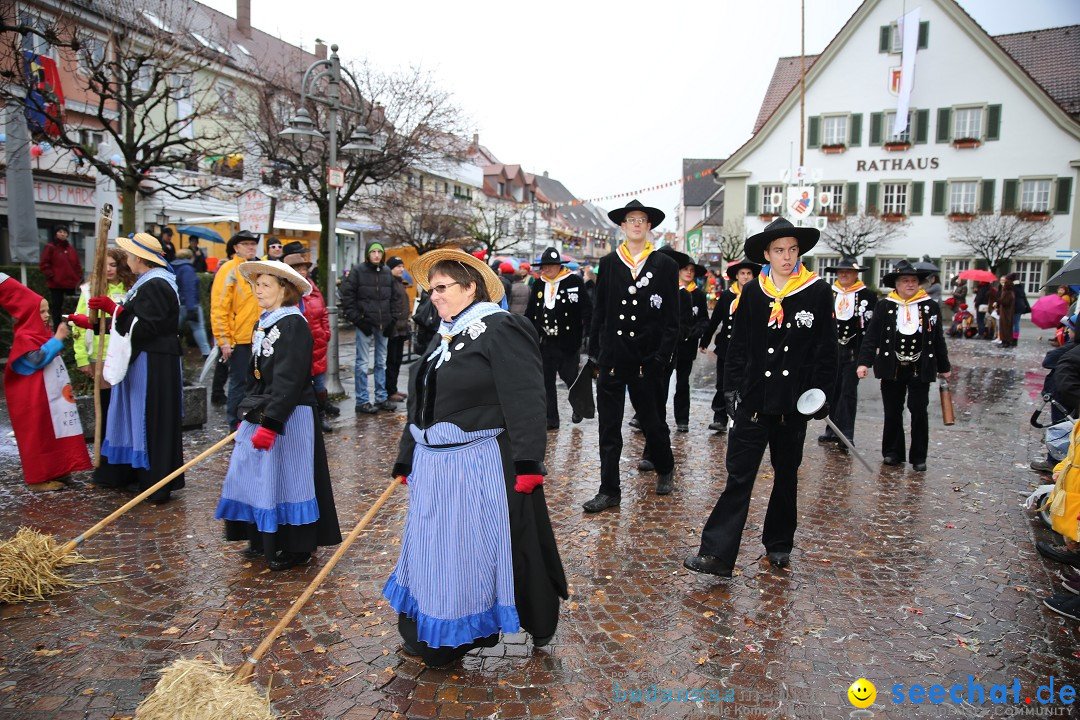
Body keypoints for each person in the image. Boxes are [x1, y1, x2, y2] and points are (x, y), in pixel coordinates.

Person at [384, 248, 567, 667]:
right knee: (433, 549)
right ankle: (426, 627)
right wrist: (407, 456)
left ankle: (461, 632)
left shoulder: (503, 327)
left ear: (471, 287)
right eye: (431, 289)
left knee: (474, 550)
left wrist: (527, 464)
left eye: (443, 287)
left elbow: (525, 397)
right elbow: (420, 402)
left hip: (478, 464)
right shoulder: (443, 334)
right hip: (436, 467)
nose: (435, 296)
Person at [684, 218, 837, 577]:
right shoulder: (753, 292)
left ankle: (779, 543)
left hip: (793, 403)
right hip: (754, 401)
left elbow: (826, 352)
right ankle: (717, 554)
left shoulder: (816, 291)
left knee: (786, 475)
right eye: (780, 250)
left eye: (793, 250)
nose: (787, 257)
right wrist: (731, 389)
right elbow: (737, 348)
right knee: (738, 477)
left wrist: (822, 394)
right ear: (767, 254)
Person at [215, 260, 342, 571]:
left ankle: (295, 545)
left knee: (289, 480)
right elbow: (256, 374)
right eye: (257, 284)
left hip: (290, 415)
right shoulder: (266, 322)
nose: (258, 289)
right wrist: (249, 411)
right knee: (260, 477)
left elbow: (290, 377)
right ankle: (261, 537)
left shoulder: (293, 325)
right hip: (265, 410)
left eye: (266, 284)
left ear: (284, 291)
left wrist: (271, 422)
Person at [583, 199, 680, 512]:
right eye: (631, 219)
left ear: (649, 226)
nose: (636, 224)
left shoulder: (665, 265)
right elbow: (599, 310)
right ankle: (609, 489)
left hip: (647, 361)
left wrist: (661, 358)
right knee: (608, 429)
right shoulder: (610, 263)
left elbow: (671, 319)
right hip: (613, 358)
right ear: (622, 226)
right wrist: (594, 353)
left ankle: (665, 466)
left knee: (653, 423)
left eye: (642, 219)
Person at [73, 233, 185, 503]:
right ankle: (140, 476)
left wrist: (115, 310)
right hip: (148, 358)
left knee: (150, 418)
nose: (127, 261)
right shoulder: (147, 283)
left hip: (155, 361)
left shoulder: (156, 284)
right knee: (143, 417)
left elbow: (147, 326)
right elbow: (137, 322)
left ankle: (155, 483)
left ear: (139, 259)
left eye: (130, 256)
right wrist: (98, 322)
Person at [856, 260, 951, 471]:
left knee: (918, 411)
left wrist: (944, 366)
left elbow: (938, 339)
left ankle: (919, 457)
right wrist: (864, 362)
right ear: (896, 284)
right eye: (905, 281)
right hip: (892, 367)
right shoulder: (885, 306)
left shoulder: (930, 306)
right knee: (892, 411)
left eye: (914, 281)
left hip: (919, 368)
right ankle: (892, 452)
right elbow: (871, 337)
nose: (910, 284)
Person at [0, 272, 92, 491]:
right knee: (39, 436)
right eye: (40, 311)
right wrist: (58, 340)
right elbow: (36, 359)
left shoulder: (40, 333)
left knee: (55, 432)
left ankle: (58, 468)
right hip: (34, 401)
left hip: (49, 397)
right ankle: (38, 478)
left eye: (47, 310)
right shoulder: (25, 336)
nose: (46, 315)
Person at [525, 246, 592, 430]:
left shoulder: (574, 281)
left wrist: (588, 333)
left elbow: (586, 309)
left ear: (559, 266)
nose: (546, 269)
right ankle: (551, 419)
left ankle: (578, 406)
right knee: (546, 381)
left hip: (568, 341)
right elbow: (531, 312)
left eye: (550, 266)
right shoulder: (539, 284)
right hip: (545, 341)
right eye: (544, 266)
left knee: (569, 376)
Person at [819, 257, 876, 446]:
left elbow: (870, 329)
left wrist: (864, 359)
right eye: (841, 271)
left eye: (848, 272)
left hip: (853, 351)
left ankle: (846, 433)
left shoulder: (867, 296)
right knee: (832, 392)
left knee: (848, 393)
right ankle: (831, 430)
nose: (844, 275)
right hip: (832, 351)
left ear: (856, 274)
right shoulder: (828, 293)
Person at [340, 241, 399, 414]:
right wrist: (358, 320)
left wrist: (392, 320)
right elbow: (348, 299)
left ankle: (381, 398)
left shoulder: (387, 272)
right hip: (365, 323)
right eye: (373, 252)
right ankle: (362, 400)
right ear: (367, 254)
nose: (376, 255)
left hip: (384, 324)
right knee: (362, 363)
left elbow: (394, 299)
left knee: (381, 362)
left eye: (379, 252)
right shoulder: (358, 271)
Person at [282, 242, 335, 431]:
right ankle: (302, 420)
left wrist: (325, 332)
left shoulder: (313, 289)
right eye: (298, 268)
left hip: (317, 344)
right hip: (296, 349)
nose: (302, 271)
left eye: (304, 268)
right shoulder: (286, 293)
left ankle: (321, 416)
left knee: (319, 385)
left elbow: (323, 312)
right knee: (299, 387)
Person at [702, 259, 760, 432]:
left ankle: (744, 418)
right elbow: (715, 320)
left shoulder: (757, 295)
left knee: (747, 384)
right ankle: (720, 418)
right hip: (727, 347)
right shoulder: (727, 296)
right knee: (722, 384)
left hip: (749, 348)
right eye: (742, 273)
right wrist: (705, 341)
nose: (745, 276)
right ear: (736, 276)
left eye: (749, 273)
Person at [211, 230, 261, 429]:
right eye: (246, 244)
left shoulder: (258, 267)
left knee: (256, 382)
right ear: (236, 247)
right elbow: (219, 306)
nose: (251, 247)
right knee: (239, 383)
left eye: (253, 243)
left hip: (258, 336)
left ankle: (251, 421)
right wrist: (223, 339)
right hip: (239, 338)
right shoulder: (230, 269)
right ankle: (235, 424)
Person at [658, 247, 708, 434]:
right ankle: (647, 415)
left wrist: (695, 332)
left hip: (686, 345)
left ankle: (682, 418)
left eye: (692, 270)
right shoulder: (669, 290)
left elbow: (704, 319)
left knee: (682, 382)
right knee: (659, 381)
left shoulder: (698, 295)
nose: (688, 272)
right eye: (685, 269)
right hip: (667, 345)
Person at [73, 247, 136, 378]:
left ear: (122, 266)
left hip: (126, 352)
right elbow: (78, 323)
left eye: (113, 265)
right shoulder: (90, 290)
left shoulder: (132, 289)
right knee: (104, 397)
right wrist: (81, 358)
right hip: (99, 354)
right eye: (104, 265)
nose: (108, 269)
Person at [39, 224, 83, 329]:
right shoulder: (50, 247)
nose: (62, 234)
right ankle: (57, 328)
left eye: (64, 232)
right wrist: (51, 276)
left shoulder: (71, 249)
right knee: (56, 307)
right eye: (60, 232)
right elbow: (44, 264)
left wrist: (79, 277)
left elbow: (77, 265)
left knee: (73, 306)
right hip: (56, 284)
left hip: (71, 283)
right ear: (56, 234)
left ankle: (73, 326)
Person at [173, 249, 212, 357]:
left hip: (178, 303)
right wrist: (192, 308)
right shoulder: (188, 269)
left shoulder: (174, 267)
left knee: (172, 330)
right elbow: (189, 288)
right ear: (191, 257)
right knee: (198, 328)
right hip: (190, 304)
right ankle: (206, 353)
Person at [385, 256, 411, 404]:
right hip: (393, 329)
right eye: (398, 266)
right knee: (391, 360)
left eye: (402, 266)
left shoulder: (400, 283)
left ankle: (393, 389)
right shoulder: (389, 284)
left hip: (401, 328)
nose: (401, 269)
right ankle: (389, 390)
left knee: (397, 360)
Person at [1008, 272, 1031, 345]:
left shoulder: (1013, 287)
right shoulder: (1020, 286)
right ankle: (1015, 338)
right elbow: (1024, 296)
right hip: (1020, 306)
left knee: (1015, 323)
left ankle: (1014, 339)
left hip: (1015, 306)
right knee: (1016, 323)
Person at [997, 274, 1017, 348]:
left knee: (1005, 326)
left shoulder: (1008, 291)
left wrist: (998, 300)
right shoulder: (1008, 291)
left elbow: (1005, 302)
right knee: (1005, 326)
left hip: (1006, 312)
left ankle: (1006, 341)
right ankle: (1004, 341)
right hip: (1006, 311)